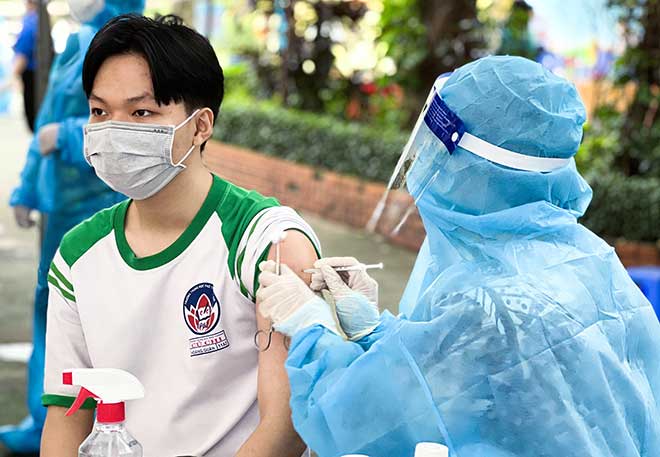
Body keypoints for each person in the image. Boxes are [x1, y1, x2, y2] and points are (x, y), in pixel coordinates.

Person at [257, 56, 660, 457]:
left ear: (474, 169)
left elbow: (361, 420)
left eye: (435, 152)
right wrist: (374, 332)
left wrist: (312, 329)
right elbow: (455, 377)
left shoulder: (485, 303)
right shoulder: (590, 259)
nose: (424, 163)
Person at [40, 14, 320, 457]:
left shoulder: (267, 244)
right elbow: (67, 414)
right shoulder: (78, 256)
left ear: (200, 125)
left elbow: (286, 425)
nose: (114, 130)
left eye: (141, 112)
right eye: (99, 111)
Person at [0, 0, 144, 453]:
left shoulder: (132, 48)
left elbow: (132, 126)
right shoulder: (77, 44)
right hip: (61, 205)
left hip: (102, 199)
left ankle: (106, 421)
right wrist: (27, 188)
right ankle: (45, 421)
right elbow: (48, 118)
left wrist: (64, 137)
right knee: (53, 312)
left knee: (102, 320)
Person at [11, 0, 39, 131]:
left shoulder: (30, 23)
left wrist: (13, 77)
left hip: (31, 77)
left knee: (33, 115)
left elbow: (22, 56)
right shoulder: (39, 22)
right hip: (36, 76)